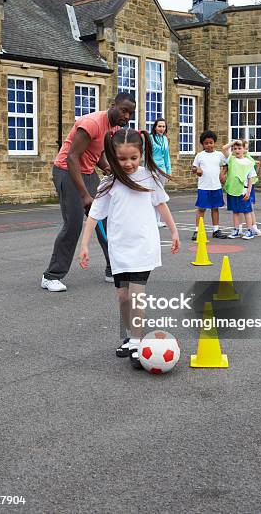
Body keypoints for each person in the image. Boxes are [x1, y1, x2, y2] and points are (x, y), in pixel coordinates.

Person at [79, 128, 180, 369]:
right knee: (122, 296)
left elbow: (162, 205)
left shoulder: (149, 178)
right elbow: (94, 214)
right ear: (113, 157)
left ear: (141, 154)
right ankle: (131, 336)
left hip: (144, 247)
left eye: (133, 158)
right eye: (122, 159)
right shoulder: (109, 182)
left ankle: (136, 340)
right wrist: (84, 244)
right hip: (119, 249)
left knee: (136, 295)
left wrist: (174, 231)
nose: (128, 164)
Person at [41, 93, 136, 292]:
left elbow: (97, 153)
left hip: (87, 172)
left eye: (130, 113)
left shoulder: (114, 128)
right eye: (124, 110)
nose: (127, 116)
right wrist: (85, 196)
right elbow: (72, 157)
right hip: (67, 172)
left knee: (105, 220)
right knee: (73, 225)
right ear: (113, 105)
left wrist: (108, 168)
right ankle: (51, 276)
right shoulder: (91, 123)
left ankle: (113, 269)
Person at [191, 130, 227, 241]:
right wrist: (197, 170)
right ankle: (197, 230)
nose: (209, 145)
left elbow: (225, 166)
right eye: (206, 143)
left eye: (211, 143)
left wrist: (222, 174)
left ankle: (216, 230)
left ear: (214, 142)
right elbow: (193, 168)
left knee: (215, 208)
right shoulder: (199, 156)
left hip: (216, 186)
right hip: (203, 187)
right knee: (201, 209)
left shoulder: (219, 155)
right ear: (203, 144)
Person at [222, 139, 257, 240]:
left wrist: (249, 191)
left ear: (244, 150)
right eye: (235, 148)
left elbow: (251, 178)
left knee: (246, 211)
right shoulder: (231, 159)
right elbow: (224, 148)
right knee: (235, 211)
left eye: (239, 148)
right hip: (232, 190)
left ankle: (250, 230)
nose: (237, 150)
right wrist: (233, 142)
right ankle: (236, 230)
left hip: (243, 190)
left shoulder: (248, 162)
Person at [150, 118, 171, 228]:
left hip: (162, 170)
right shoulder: (150, 138)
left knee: (160, 196)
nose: (161, 129)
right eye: (159, 126)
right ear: (155, 127)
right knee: (152, 195)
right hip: (152, 169)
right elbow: (145, 155)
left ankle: (158, 220)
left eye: (163, 126)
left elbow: (167, 157)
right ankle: (151, 219)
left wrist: (168, 172)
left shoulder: (165, 139)